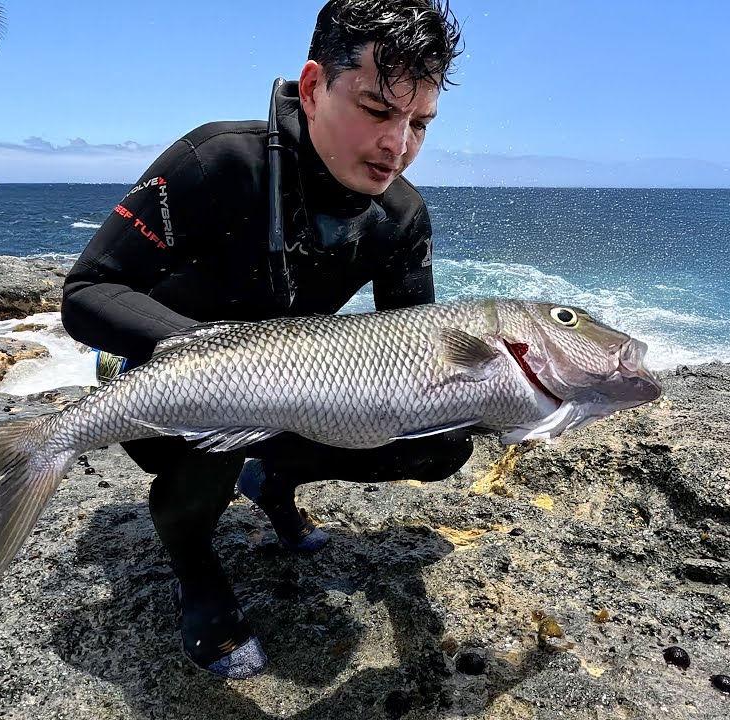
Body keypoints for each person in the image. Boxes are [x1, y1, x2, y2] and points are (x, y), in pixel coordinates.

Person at [61, 0, 469, 680]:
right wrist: (222, 363)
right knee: (230, 419)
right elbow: (87, 293)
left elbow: (415, 357)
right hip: (155, 384)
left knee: (445, 442)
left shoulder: (400, 216)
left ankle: (274, 478)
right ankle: (194, 561)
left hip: (295, 394)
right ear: (313, 88)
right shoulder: (218, 161)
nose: (398, 145)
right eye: (376, 109)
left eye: (419, 122)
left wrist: (522, 399)